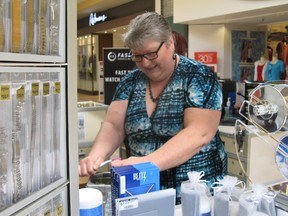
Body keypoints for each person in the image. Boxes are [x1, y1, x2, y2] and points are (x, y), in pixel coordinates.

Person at [78, 11, 227, 204]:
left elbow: (198, 134)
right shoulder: (130, 82)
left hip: (195, 194)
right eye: (138, 57)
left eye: (151, 54)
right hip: (142, 191)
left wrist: (145, 164)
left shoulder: (198, 77)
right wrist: (96, 156)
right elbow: (113, 125)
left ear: (170, 43)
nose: (145, 63)